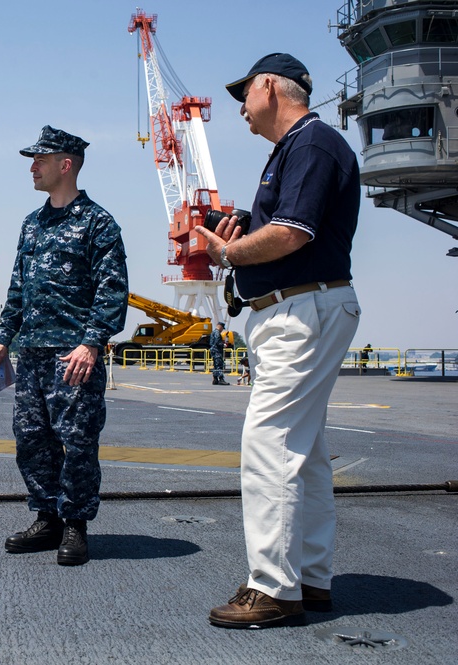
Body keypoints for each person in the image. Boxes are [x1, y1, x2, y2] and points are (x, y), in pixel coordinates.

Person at [195, 53, 361, 628]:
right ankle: (310, 579)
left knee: (268, 446)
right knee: (305, 452)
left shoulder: (311, 143)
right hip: (301, 305)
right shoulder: (298, 150)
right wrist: (245, 222)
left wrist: (227, 252)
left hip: (301, 309)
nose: (241, 107)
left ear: (270, 87)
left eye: (245, 94)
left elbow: (293, 233)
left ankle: (272, 588)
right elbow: (290, 223)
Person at [0, 126, 128, 566]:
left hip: (73, 355)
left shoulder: (98, 222)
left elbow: (112, 288)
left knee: (77, 441)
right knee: (31, 439)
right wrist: (2, 337)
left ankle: (75, 525)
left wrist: (92, 343)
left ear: (64, 165)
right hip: (30, 353)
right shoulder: (32, 224)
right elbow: (17, 287)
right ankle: (46, 517)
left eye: (40, 160)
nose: (32, 167)